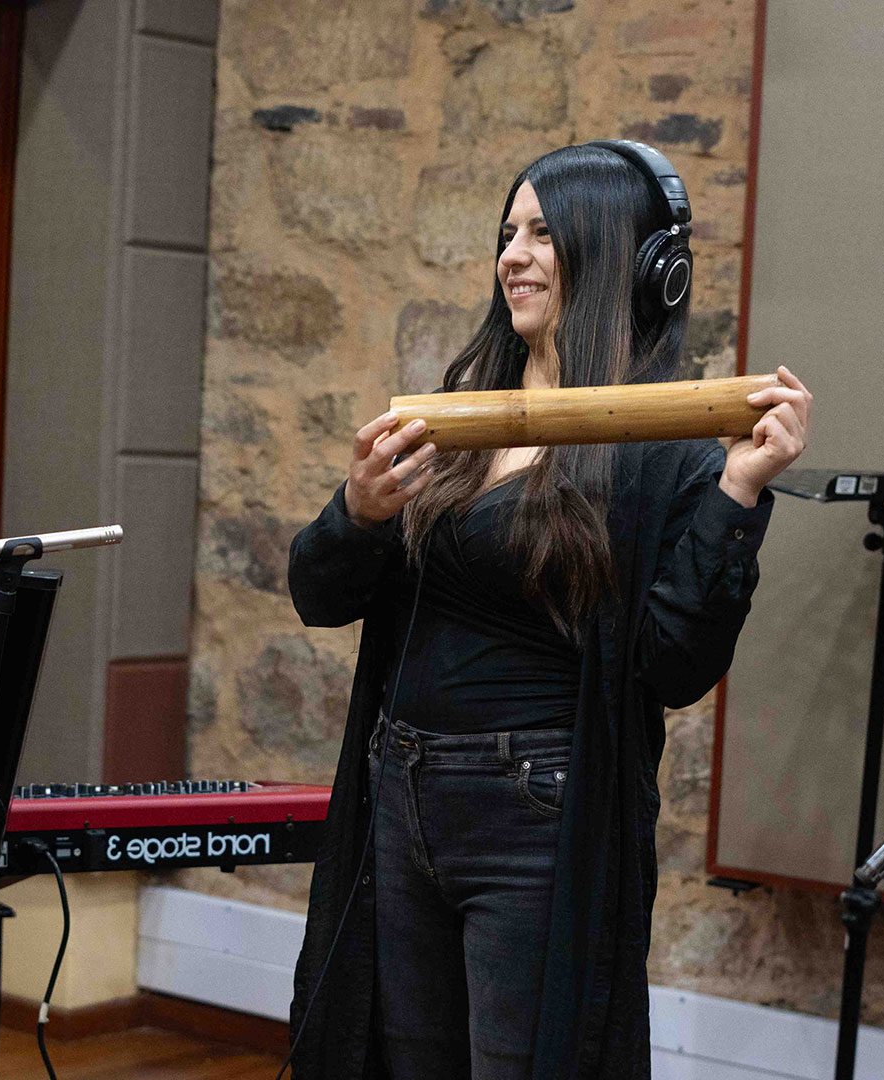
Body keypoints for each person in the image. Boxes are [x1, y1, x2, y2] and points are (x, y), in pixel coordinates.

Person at [283, 141, 813, 1080]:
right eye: (507, 233)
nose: (512, 255)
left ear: (618, 256)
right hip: (399, 792)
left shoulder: (670, 443)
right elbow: (318, 595)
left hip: (535, 815)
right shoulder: (458, 415)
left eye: (542, 233)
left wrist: (736, 495)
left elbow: (674, 666)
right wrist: (358, 513)